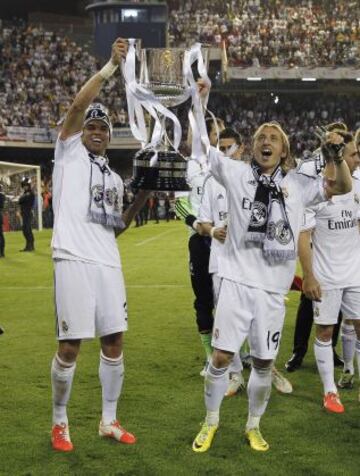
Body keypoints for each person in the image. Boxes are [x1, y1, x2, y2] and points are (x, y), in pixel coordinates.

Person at [191, 98, 352, 453]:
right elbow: (202, 146)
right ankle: (211, 420)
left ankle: (253, 425)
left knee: (264, 362)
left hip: (272, 292)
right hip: (235, 282)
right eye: (261, 136)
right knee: (220, 358)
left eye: (274, 138)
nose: (266, 141)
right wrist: (199, 100)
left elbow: (341, 187)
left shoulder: (299, 185)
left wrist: (337, 157)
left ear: (284, 151)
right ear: (253, 146)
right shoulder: (234, 174)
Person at [50, 38, 149, 452]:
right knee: (71, 345)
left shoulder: (110, 176)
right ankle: (59, 422)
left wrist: (143, 197)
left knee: (114, 342)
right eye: (89, 126)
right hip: (72, 258)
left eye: (101, 128)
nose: (94, 131)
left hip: (108, 262)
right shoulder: (67, 152)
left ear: (109, 136)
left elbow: (118, 229)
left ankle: (108, 420)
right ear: (80, 131)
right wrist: (110, 67)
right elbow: (76, 106)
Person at [299, 130, 360, 412]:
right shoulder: (316, 189)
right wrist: (309, 275)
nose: (355, 158)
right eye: (352, 154)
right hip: (326, 274)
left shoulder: (357, 185)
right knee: (325, 332)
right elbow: (303, 235)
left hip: (356, 272)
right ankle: (329, 391)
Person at [175, 116, 225, 374]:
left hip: (227, 241)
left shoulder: (228, 166)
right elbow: (178, 204)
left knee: (231, 300)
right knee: (204, 301)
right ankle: (210, 355)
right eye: (198, 134)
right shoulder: (187, 168)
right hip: (200, 242)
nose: (204, 139)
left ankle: (237, 352)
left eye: (211, 134)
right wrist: (198, 226)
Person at [18, 177, 35, 252]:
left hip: (28, 214)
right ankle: (28, 246)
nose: (25, 186)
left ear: (28, 185)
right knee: (25, 230)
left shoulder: (30, 193)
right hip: (24, 214)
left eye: (26, 185)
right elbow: (19, 201)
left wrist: (22, 198)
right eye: (24, 185)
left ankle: (31, 246)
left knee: (27, 230)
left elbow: (21, 200)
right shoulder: (25, 193)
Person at [0, 184, 5, 257]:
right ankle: (2, 252)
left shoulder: (1, 196)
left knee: (0, 235)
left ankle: (1, 252)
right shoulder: (2, 196)